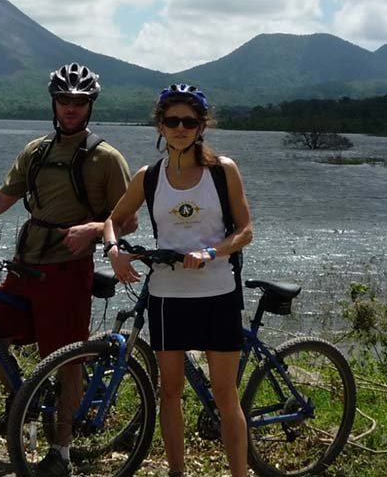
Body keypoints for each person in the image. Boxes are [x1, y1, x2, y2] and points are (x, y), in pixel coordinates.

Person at [0, 62, 133, 476]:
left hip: (68, 270)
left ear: (89, 105)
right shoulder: (37, 151)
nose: (70, 108)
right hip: (26, 264)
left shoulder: (107, 158)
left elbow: (127, 219)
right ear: (54, 104)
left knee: (65, 359)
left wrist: (94, 229)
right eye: (64, 101)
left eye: (78, 102)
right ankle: (27, 401)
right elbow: (3, 198)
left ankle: (61, 451)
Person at [101, 84, 253, 477]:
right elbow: (112, 222)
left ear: (202, 126)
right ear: (160, 126)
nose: (180, 128)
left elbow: (245, 231)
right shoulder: (148, 177)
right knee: (170, 394)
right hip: (167, 296)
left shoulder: (222, 171)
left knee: (225, 396)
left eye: (189, 121)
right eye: (172, 121)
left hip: (218, 293)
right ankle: (177, 473)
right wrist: (115, 251)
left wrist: (212, 252)